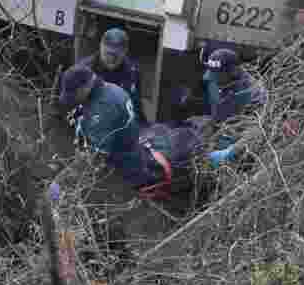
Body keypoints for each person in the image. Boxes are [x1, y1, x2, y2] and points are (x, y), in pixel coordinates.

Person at [60, 65, 238, 196]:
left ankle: (222, 156)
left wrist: (65, 183)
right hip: (136, 149)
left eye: (74, 94)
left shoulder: (102, 110)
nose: (72, 99)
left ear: (85, 86)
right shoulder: (111, 89)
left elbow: (94, 160)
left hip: (126, 172)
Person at [80, 27, 148, 124]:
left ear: (125, 52)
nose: (111, 59)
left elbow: (136, 107)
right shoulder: (83, 70)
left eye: (116, 56)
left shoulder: (133, 72)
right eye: (108, 54)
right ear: (101, 47)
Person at [202, 47, 266, 124]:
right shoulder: (211, 80)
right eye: (212, 74)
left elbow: (256, 122)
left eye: (218, 76)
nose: (214, 80)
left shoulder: (254, 92)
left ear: (233, 71)